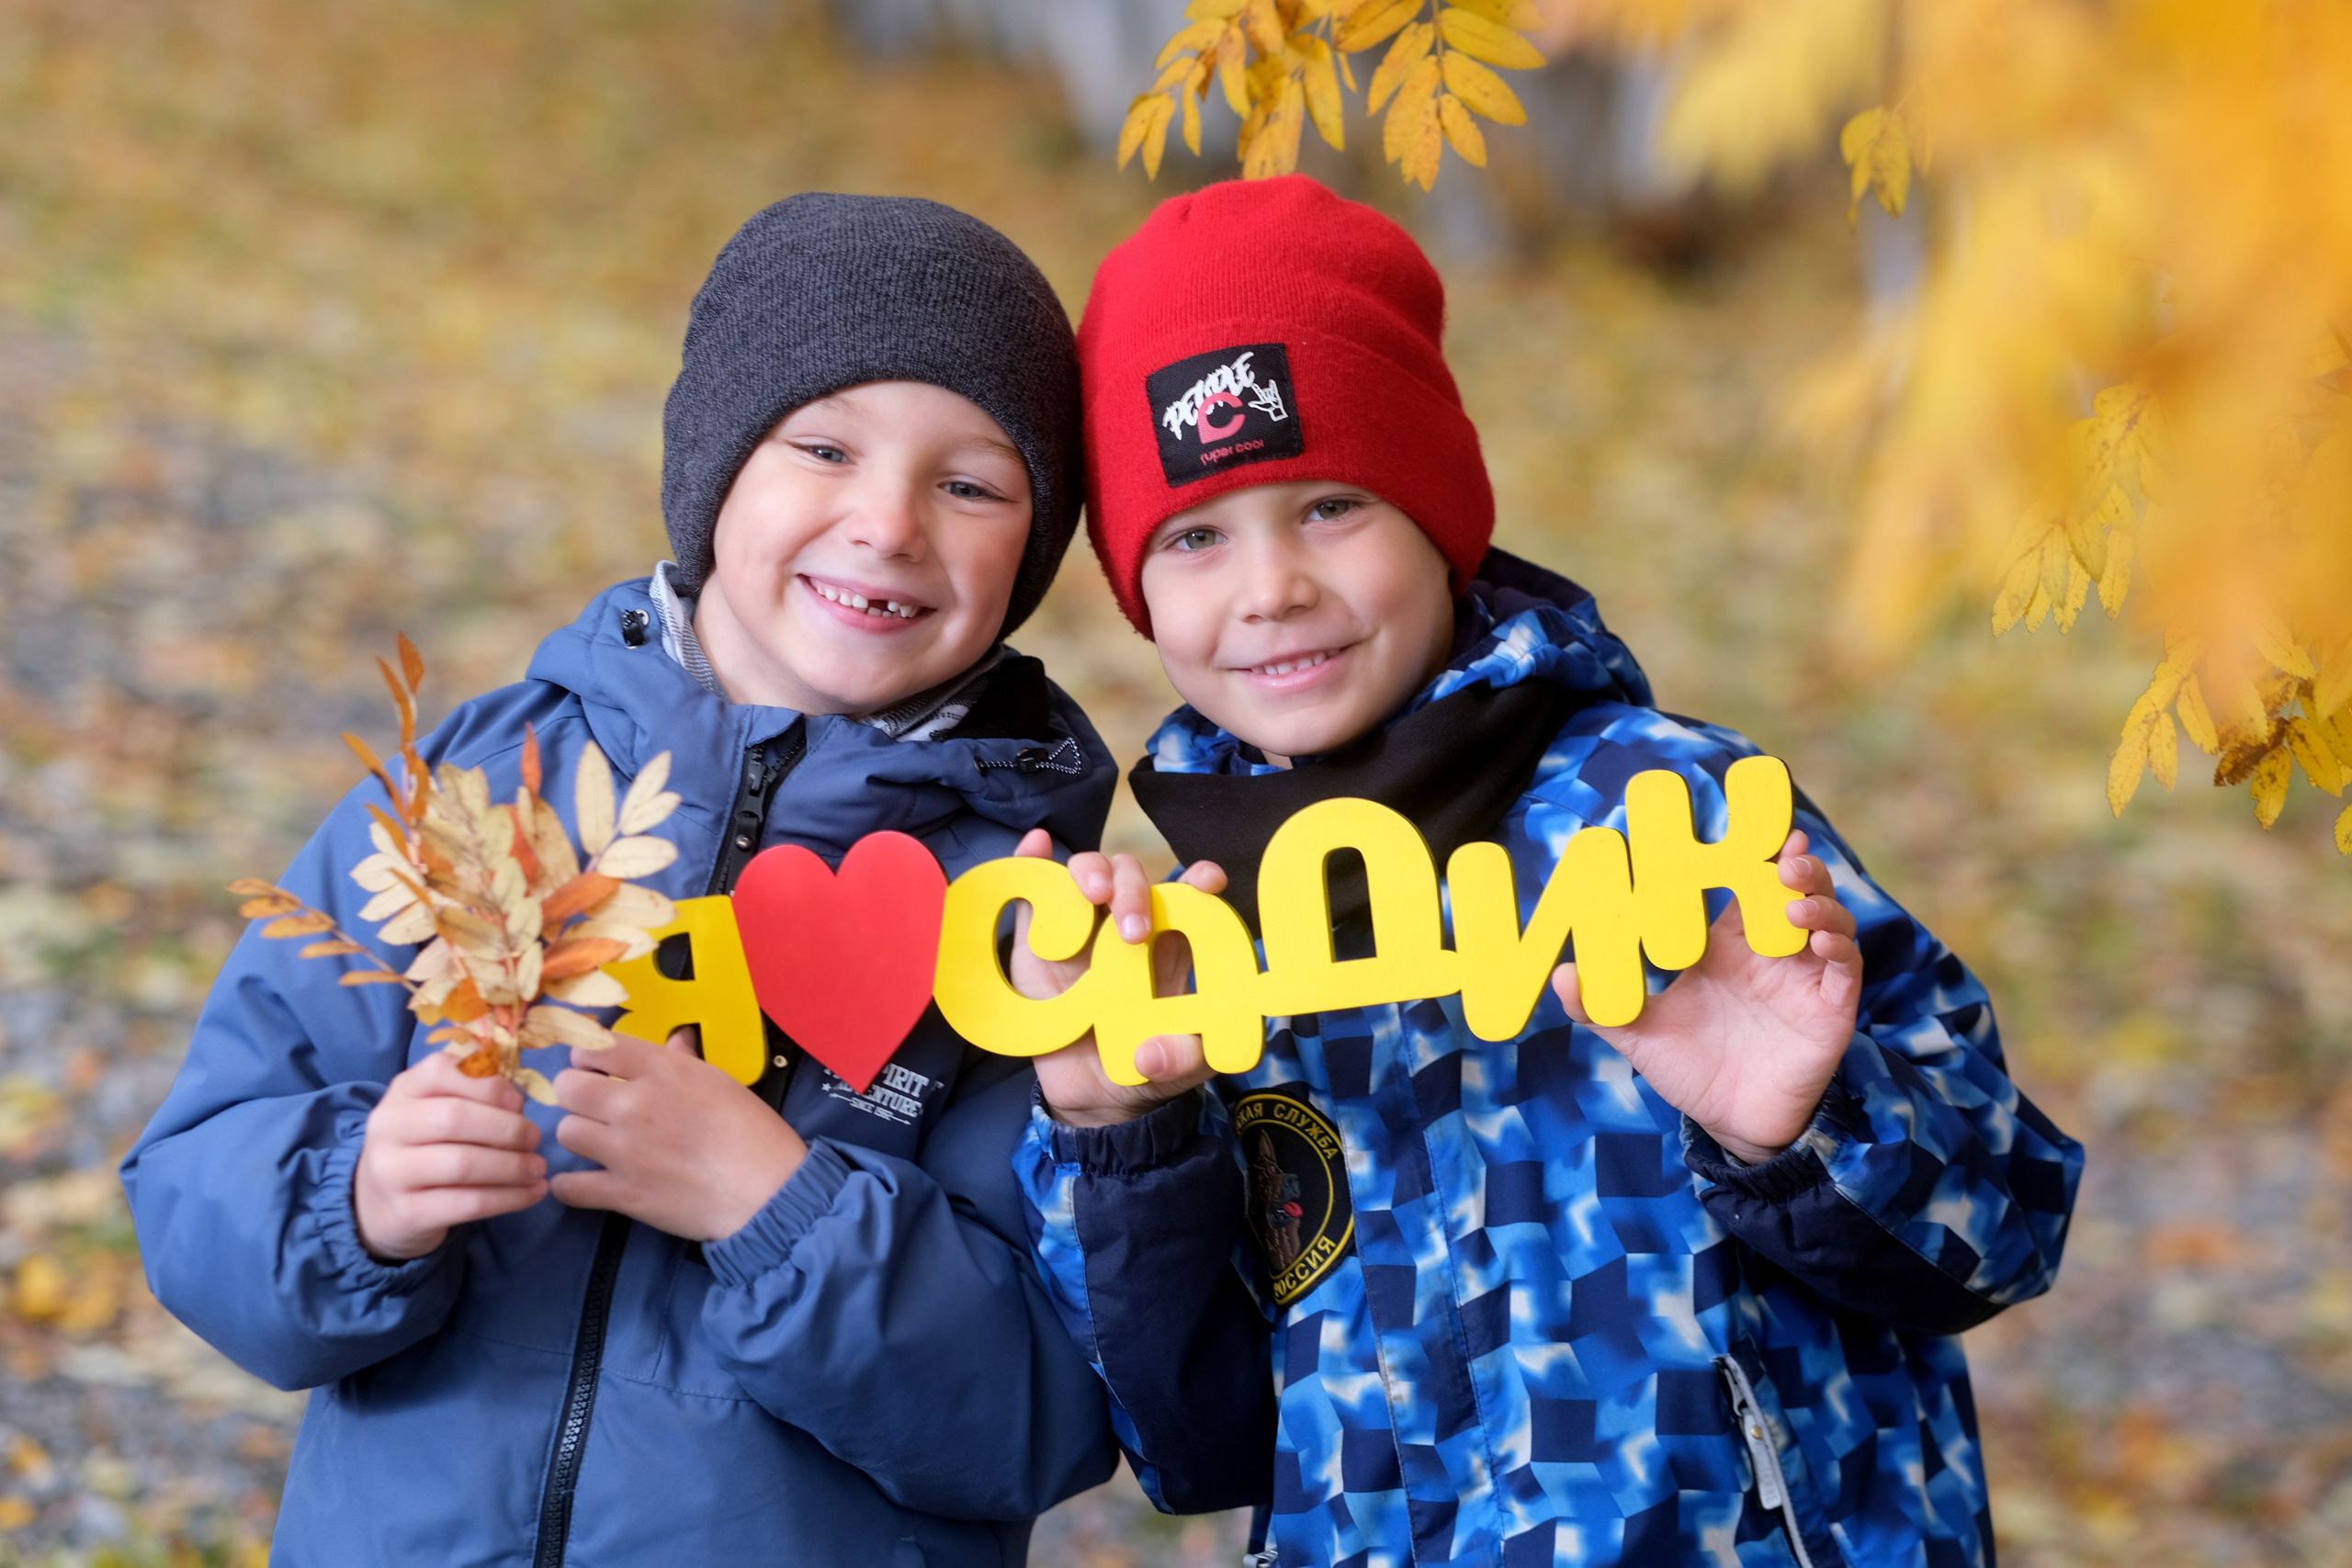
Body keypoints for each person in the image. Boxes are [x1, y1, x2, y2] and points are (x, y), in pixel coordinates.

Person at [1009, 175, 2084, 1568]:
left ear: (1440, 511)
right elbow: (1192, 1439)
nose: (1267, 587)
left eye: (1331, 505)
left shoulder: (1666, 814)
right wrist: (1121, 1140)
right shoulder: (1189, 948)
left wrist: (1802, 1127)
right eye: (1197, 537)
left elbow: (2007, 1231)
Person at [121, 194, 1123, 1566]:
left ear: (1034, 548)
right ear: (715, 471)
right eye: (823, 447)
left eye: (970, 484)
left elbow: (1046, 1415)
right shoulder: (467, 801)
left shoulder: (1029, 919)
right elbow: (198, 1181)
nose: (888, 523)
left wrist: (776, 1212)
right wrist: (356, 1199)